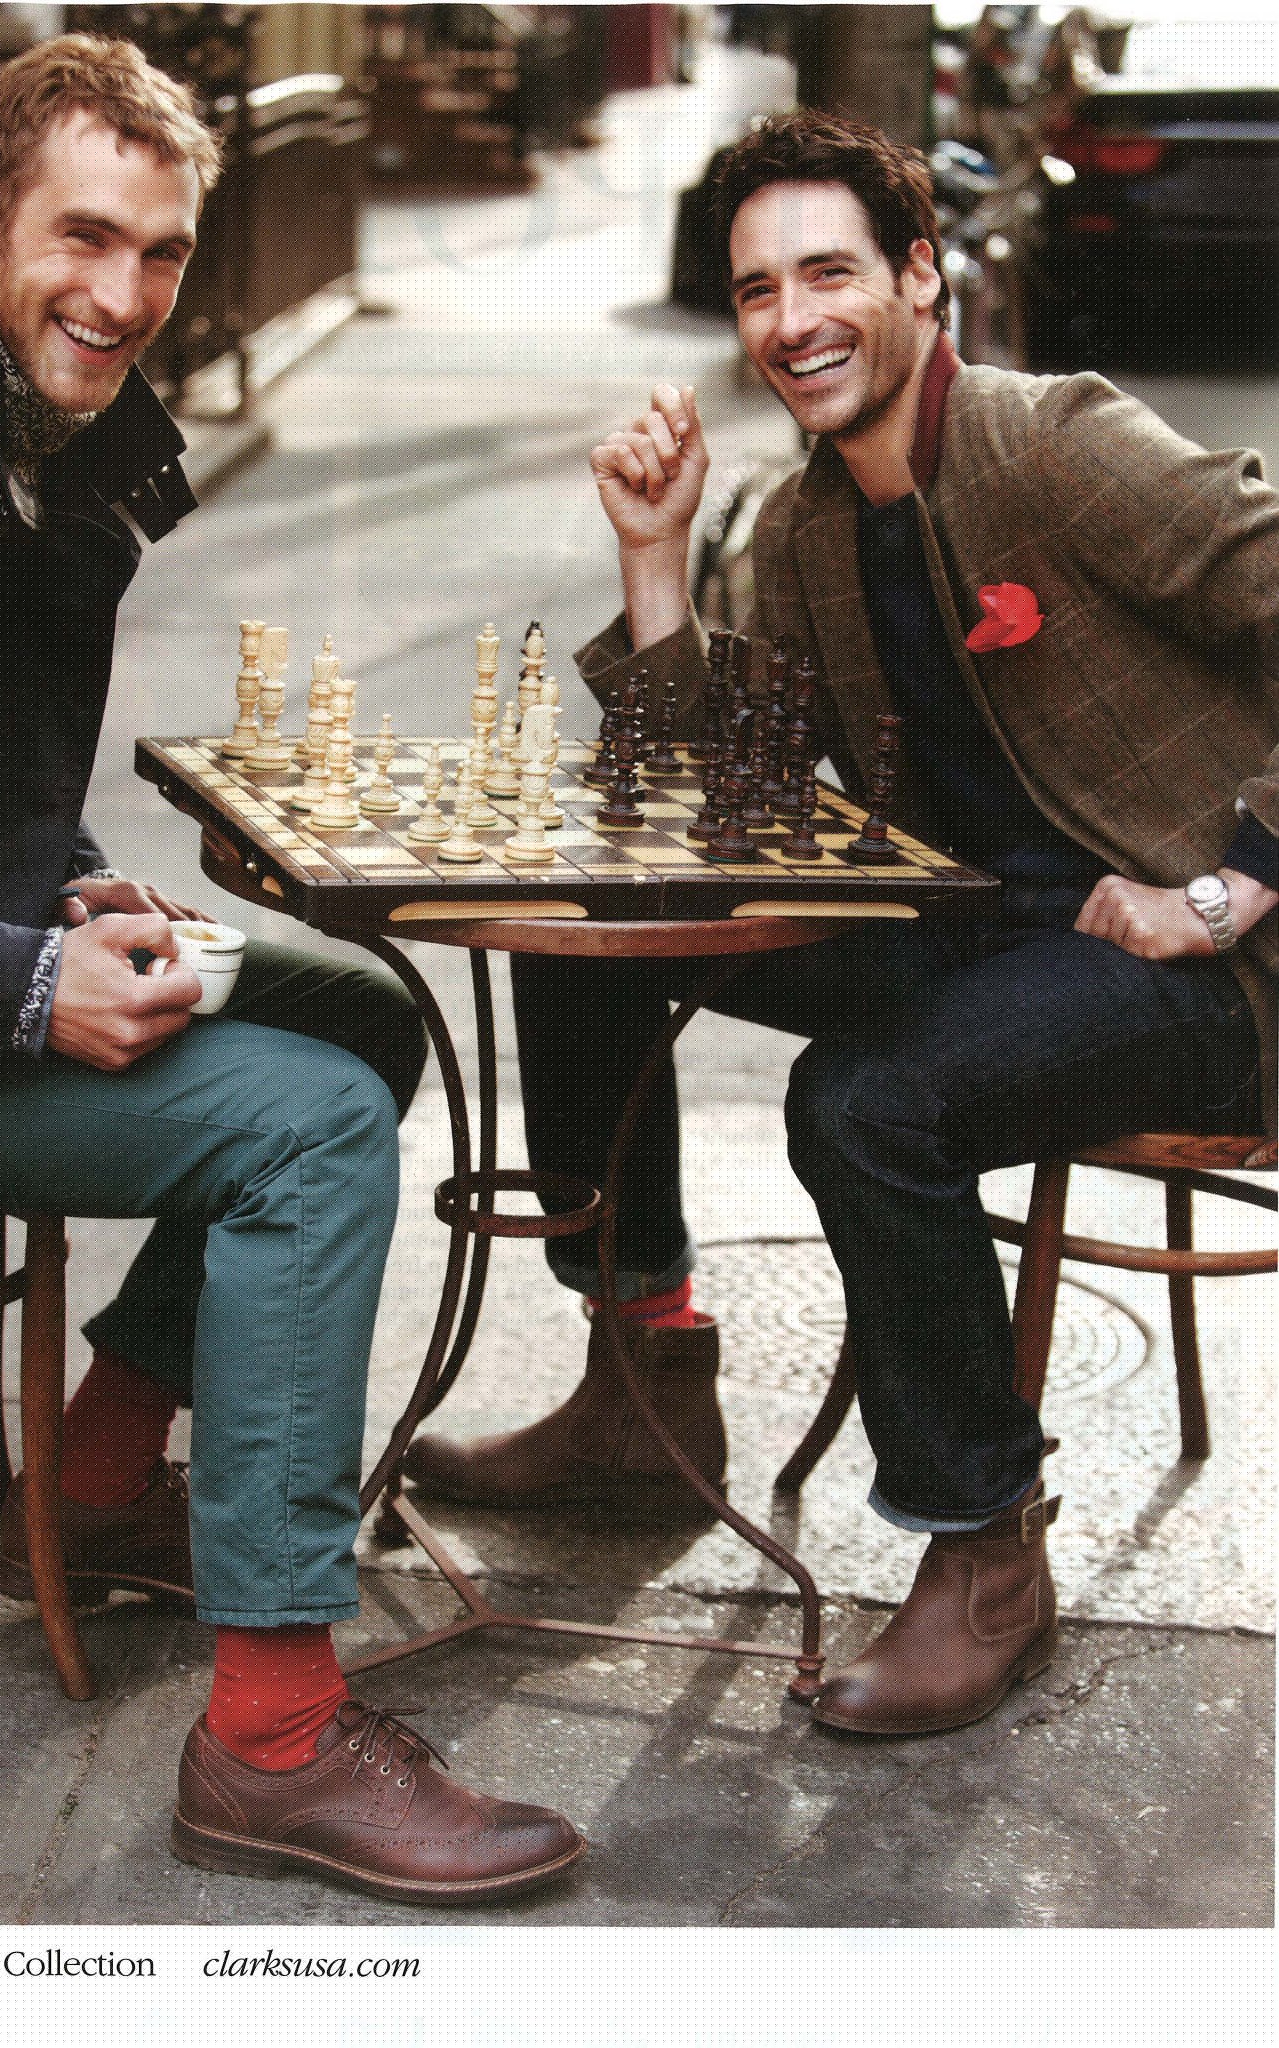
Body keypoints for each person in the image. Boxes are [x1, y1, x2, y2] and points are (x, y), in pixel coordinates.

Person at [0, 33, 584, 1901]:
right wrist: (16, 982)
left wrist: (63, 894)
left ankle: (93, 1484)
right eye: (82, 236)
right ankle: (274, 1737)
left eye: (159, 253)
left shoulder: (35, 423)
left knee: (362, 1018)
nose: (124, 293)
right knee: (311, 1129)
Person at [403, 108, 1277, 1736]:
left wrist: (1232, 883)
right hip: (981, 930)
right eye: (758, 289)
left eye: (830, 274)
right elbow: (707, 806)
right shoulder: (807, 525)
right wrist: (656, 560)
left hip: (1211, 973)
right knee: (584, 930)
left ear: (920, 277)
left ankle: (986, 1550)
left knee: (870, 1101)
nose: (794, 319)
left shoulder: (1055, 443)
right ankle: (640, 1384)